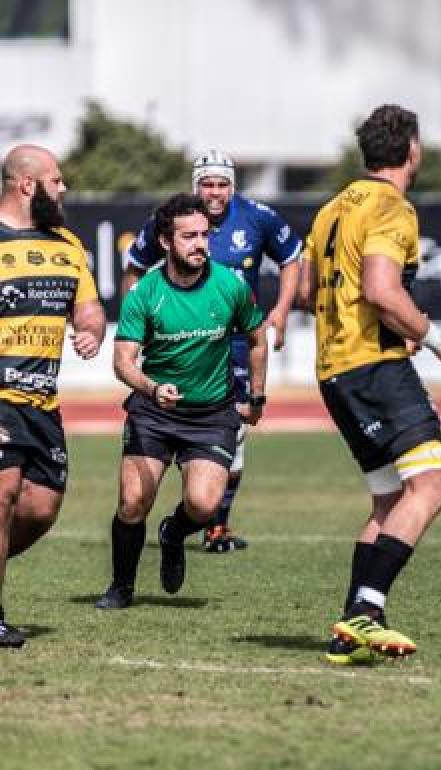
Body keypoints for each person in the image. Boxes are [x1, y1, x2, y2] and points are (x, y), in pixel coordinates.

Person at [301, 104, 441, 665]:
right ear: (413, 150)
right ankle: (367, 610)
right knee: (432, 486)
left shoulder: (331, 209)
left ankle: (350, 627)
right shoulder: (392, 207)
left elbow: (305, 292)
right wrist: (438, 341)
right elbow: (380, 289)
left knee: (390, 499)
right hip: (374, 367)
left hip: (333, 370)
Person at [123, 150, 302, 553]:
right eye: (207, 184)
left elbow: (292, 258)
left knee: (236, 430)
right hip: (182, 344)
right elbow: (134, 267)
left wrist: (282, 310)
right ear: (195, 186)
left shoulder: (258, 217)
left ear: (232, 187)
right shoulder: (171, 221)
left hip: (238, 341)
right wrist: (140, 319)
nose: (215, 193)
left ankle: (216, 524)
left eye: (222, 185)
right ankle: (195, 515)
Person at [95, 194, 268, 611]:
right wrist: (152, 388)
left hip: (212, 414)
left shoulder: (230, 286)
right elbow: (122, 362)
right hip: (153, 411)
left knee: (204, 505)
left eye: (204, 235)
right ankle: (121, 586)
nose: (200, 244)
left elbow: (258, 339)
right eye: (189, 236)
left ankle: (173, 533)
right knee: (132, 503)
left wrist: (257, 397)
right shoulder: (145, 292)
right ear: (165, 241)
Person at [0, 145, 105, 646]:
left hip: (43, 403)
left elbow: (89, 309)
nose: (64, 189)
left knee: (40, 510)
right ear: (27, 185)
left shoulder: (67, 245)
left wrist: (90, 331)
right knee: (2, 494)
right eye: (56, 180)